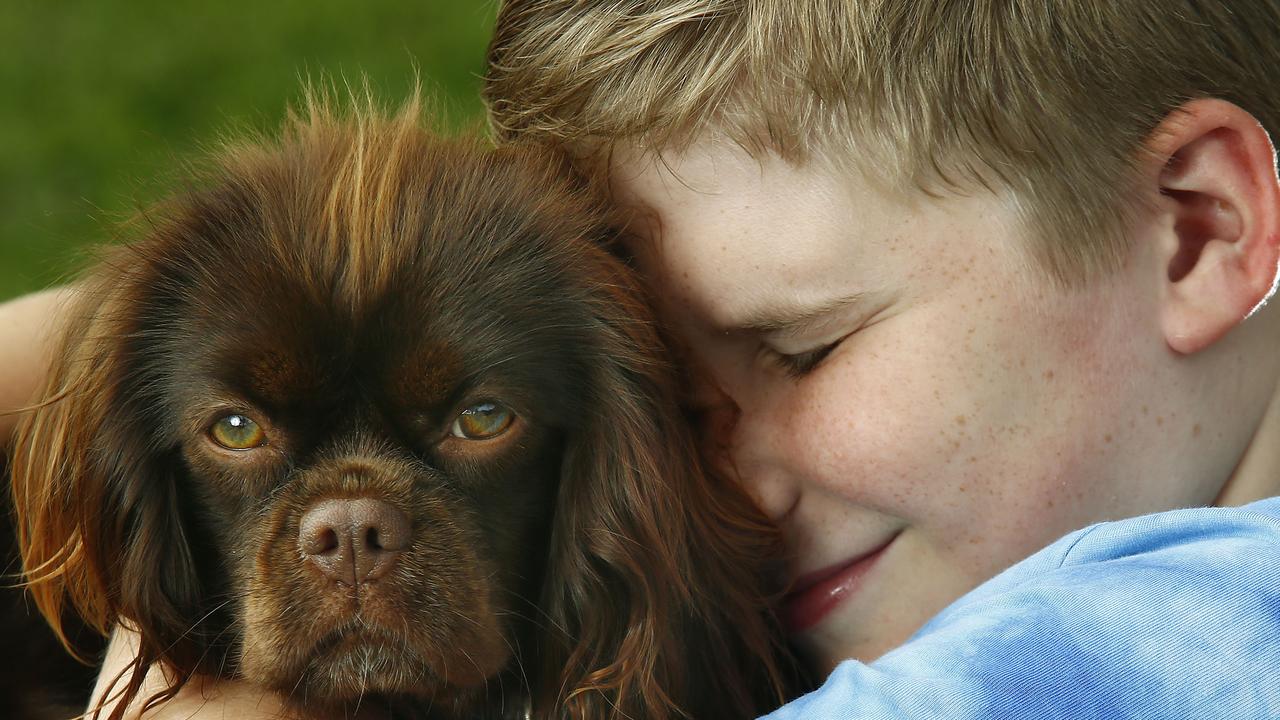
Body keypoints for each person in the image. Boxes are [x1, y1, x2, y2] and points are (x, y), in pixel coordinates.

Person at [3, 1, 1280, 717]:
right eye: (678, 383)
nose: (704, 460)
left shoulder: (1134, 652)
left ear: (1193, 227)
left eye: (801, 348)